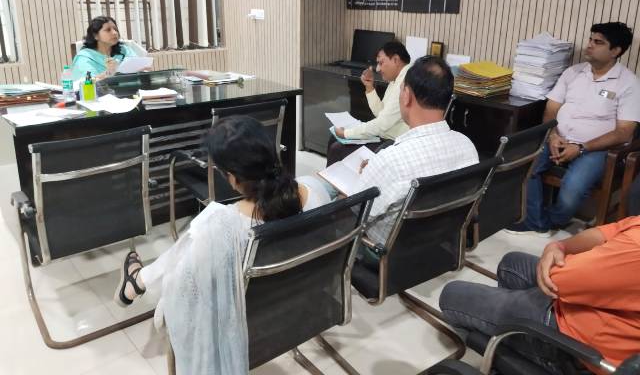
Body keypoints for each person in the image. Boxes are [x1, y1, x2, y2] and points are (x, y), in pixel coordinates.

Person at [114, 115, 330, 307]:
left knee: (186, 252)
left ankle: (138, 282)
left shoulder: (223, 223)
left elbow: (185, 279)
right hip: (302, 297)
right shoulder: (316, 191)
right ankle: (139, 280)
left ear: (233, 178)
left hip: (254, 309)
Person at [306, 56, 478, 247]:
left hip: (382, 249)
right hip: (439, 241)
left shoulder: (392, 160)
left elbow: (355, 208)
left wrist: (361, 180)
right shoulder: (467, 147)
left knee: (316, 194)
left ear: (407, 96)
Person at [440, 215, 640, 373]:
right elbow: (607, 231)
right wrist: (558, 246)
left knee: (451, 295)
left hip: (580, 345)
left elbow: (559, 279)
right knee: (512, 263)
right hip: (596, 312)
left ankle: (510, 343)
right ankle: (506, 327)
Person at [508, 22, 640, 235]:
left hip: (597, 150)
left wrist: (581, 148)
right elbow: (551, 109)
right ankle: (537, 223)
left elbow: (624, 132)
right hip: (558, 139)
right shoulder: (573, 72)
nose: (590, 45)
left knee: (573, 188)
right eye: (590, 39)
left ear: (616, 51)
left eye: (598, 42)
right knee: (524, 165)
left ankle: (552, 220)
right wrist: (553, 136)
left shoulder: (628, 83)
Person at [326, 41, 411, 165]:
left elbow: (381, 124)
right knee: (333, 139)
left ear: (396, 60)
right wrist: (369, 87)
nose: (378, 69)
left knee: (337, 149)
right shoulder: (396, 79)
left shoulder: (405, 81)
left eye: (381, 63)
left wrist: (347, 133)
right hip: (384, 135)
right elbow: (381, 113)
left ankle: (332, 177)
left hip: (393, 143)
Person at [71, 16, 135, 80]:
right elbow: (86, 81)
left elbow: (138, 67)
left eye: (115, 29)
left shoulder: (124, 50)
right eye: (108, 30)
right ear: (95, 35)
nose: (115, 33)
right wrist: (108, 73)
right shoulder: (85, 57)